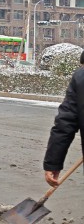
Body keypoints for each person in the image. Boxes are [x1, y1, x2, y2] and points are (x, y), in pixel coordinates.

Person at [43, 50, 84, 187]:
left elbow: (65, 123)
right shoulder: (80, 78)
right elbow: (66, 122)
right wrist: (53, 162)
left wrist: (53, 163)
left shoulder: (80, 77)